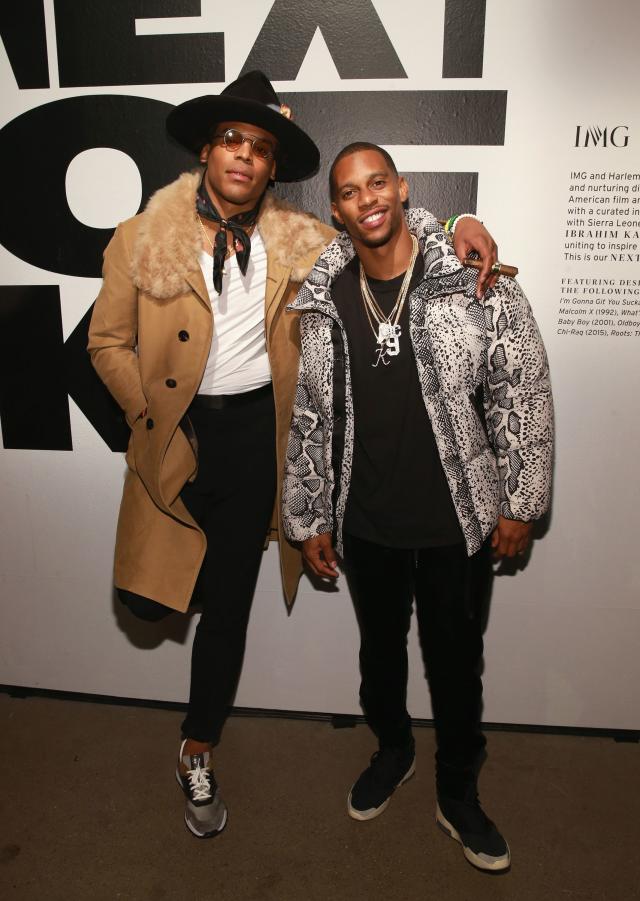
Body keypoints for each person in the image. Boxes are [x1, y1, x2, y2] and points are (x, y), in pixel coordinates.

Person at [88, 72, 500, 841]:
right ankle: (194, 598)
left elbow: (384, 226)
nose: (244, 156)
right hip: (174, 436)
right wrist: (145, 410)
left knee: (231, 613)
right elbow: (105, 342)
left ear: (273, 169)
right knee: (148, 600)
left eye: (261, 148)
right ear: (209, 151)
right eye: (233, 141)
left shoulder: (302, 241)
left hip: (255, 442)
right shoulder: (143, 238)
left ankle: (197, 747)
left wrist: (465, 221)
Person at [282, 142, 553, 871]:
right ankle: (393, 749)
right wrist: (308, 519)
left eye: (378, 182)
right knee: (379, 659)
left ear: (401, 189)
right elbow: (309, 413)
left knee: (458, 668)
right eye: (349, 190)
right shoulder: (322, 297)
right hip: (365, 522)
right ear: (334, 208)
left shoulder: (472, 279)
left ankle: (457, 792)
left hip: (456, 523)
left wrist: (521, 501)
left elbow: (518, 392)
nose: (367, 198)